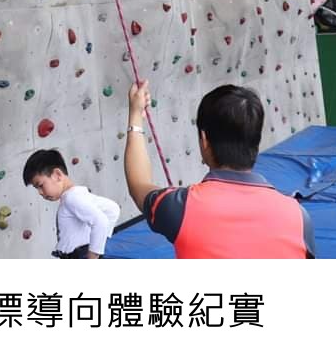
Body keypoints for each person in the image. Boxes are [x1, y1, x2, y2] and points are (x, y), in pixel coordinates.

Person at [124, 79, 317, 258]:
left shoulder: (180, 207)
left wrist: (136, 115)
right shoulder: (299, 217)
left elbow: (138, 184)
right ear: (255, 142)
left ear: (204, 140)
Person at [23, 149, 121, 259]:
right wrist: (101, 241)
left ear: (57, 175)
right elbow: (113, 208)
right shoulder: (79, 195)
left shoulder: (72, 198)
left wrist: (93, 255)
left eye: (40, 185)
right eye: (36, 188)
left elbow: (101, 221)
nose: (40, 192)